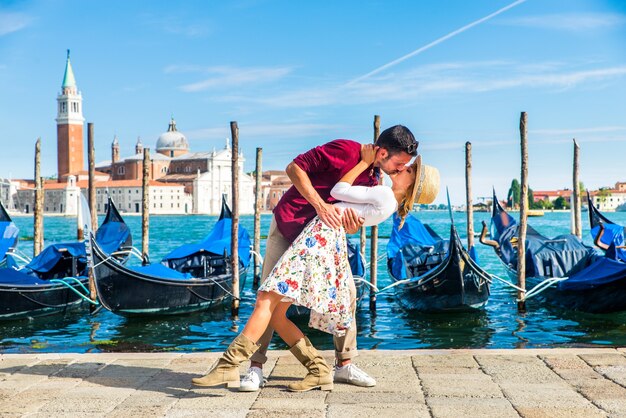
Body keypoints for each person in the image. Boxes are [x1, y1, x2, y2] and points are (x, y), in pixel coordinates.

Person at [191, 126, 422, 392]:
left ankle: (343, 364)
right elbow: (293, 168)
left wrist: (350, 225)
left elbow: (353, 218)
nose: (399, 169)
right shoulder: (344, 149)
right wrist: (319, 205)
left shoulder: (373, 179)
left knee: (347, 293)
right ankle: (255, 368)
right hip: (289, 225)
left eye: (404, 167)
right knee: (268, 294)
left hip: (320, 240)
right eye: (399, 163)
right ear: (382, 152)